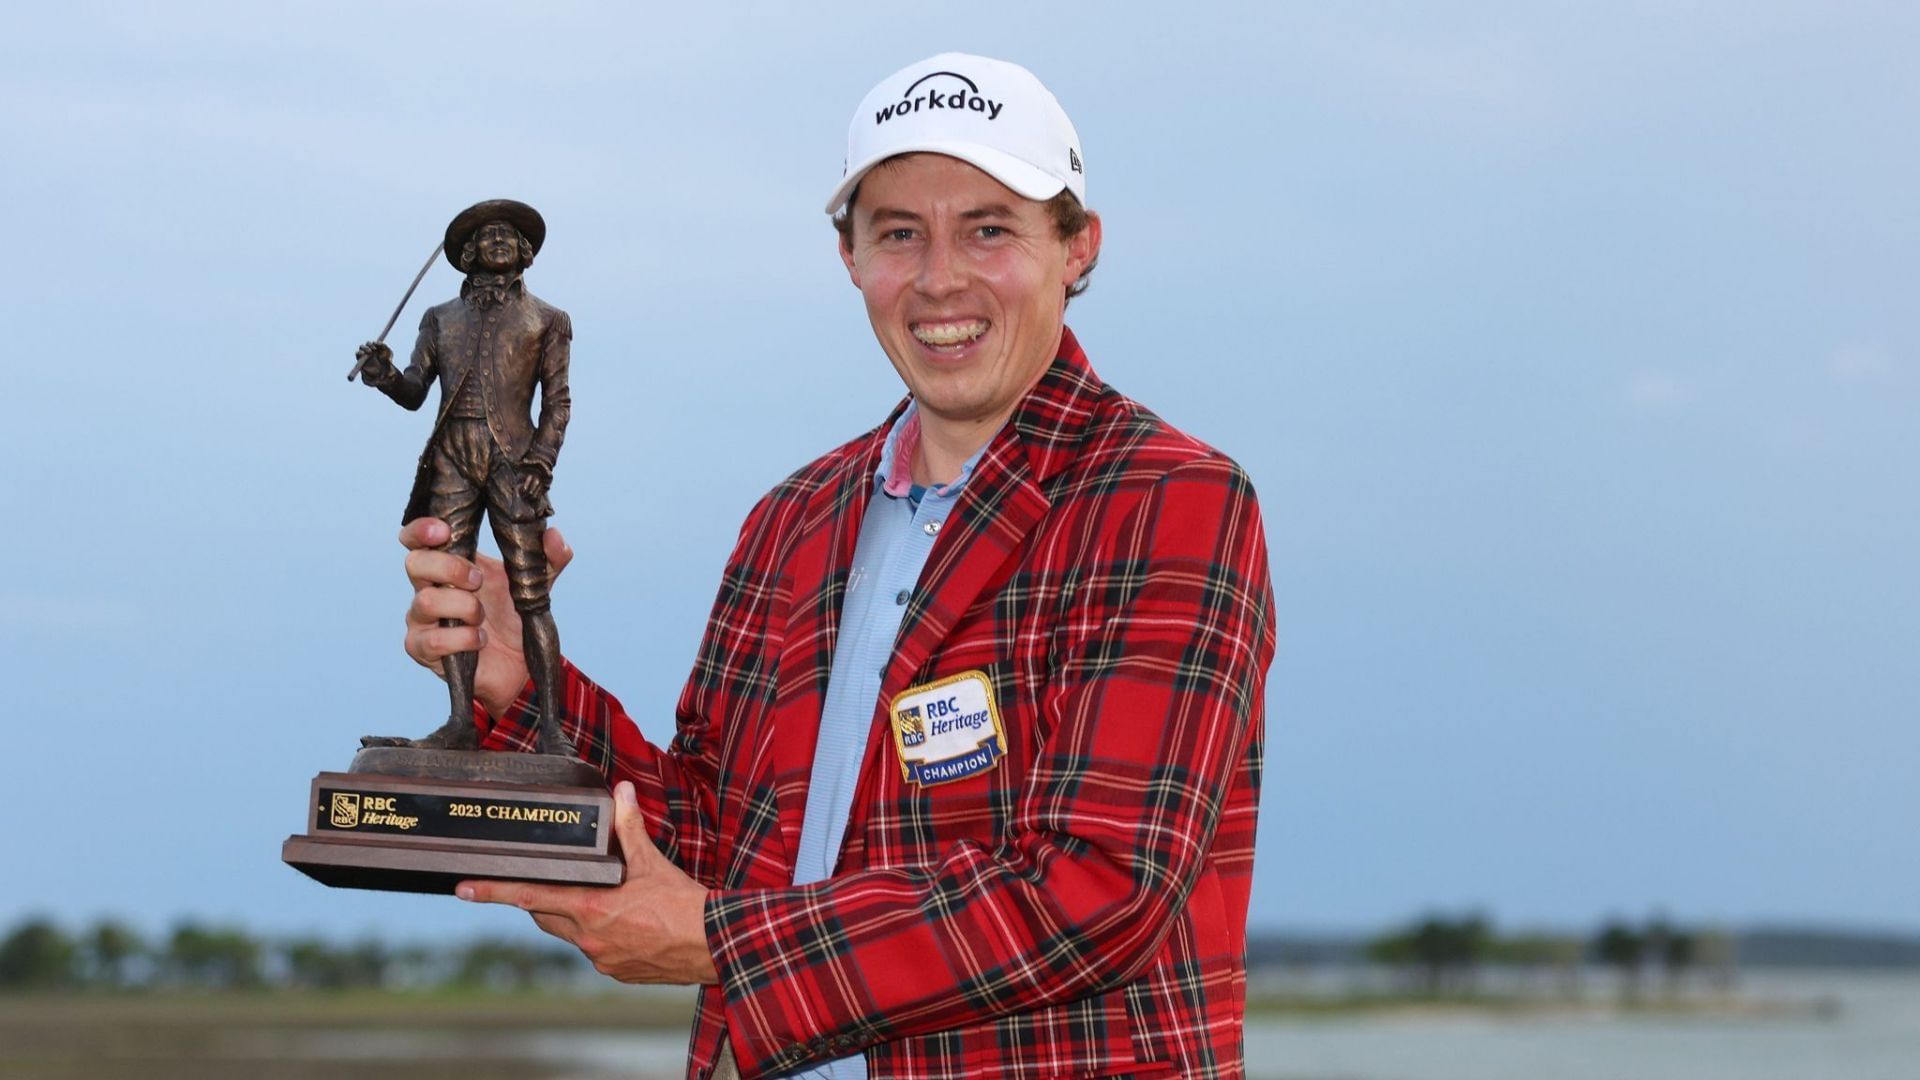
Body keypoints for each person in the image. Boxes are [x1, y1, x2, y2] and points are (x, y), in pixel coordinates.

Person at [397, 54, 1275, 1078]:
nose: (941, 276)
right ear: (851, 258)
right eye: (899, 232)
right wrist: (518, 687)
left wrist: (721, 943)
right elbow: (718, 844)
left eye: (989, 228)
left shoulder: (1170, 499)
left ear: (1076, 248)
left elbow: (1101, 889)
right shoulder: (794, 520)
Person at [356, 200, 574, 756]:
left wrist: (541, 463)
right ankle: (460, 721)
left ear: (524, 253)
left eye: (508, 236)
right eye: (487, 236)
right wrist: (383, 377)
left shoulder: (548, 320)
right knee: (451, 586)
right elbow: (413, 392)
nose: (499, 242)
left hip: (514, 464)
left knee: (532, 596)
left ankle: (551, 728)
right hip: (452, 455)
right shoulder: (439, 319)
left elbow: (558, 404)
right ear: (468, 254)